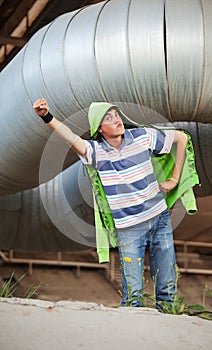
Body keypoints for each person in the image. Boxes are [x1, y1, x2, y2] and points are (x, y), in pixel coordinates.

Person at [33, 98, 188, 309]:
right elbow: (69, 137)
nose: (117, 120)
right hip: (129, 228)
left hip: (159, 218)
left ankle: (169, 321)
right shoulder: (95, 152)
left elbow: (181, 138)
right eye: (109, 118)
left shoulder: (142, 136)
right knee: (133, 295)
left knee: (167, 287)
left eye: (117, 115)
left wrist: (175, 178)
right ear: (100, 129)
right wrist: (46, 117)